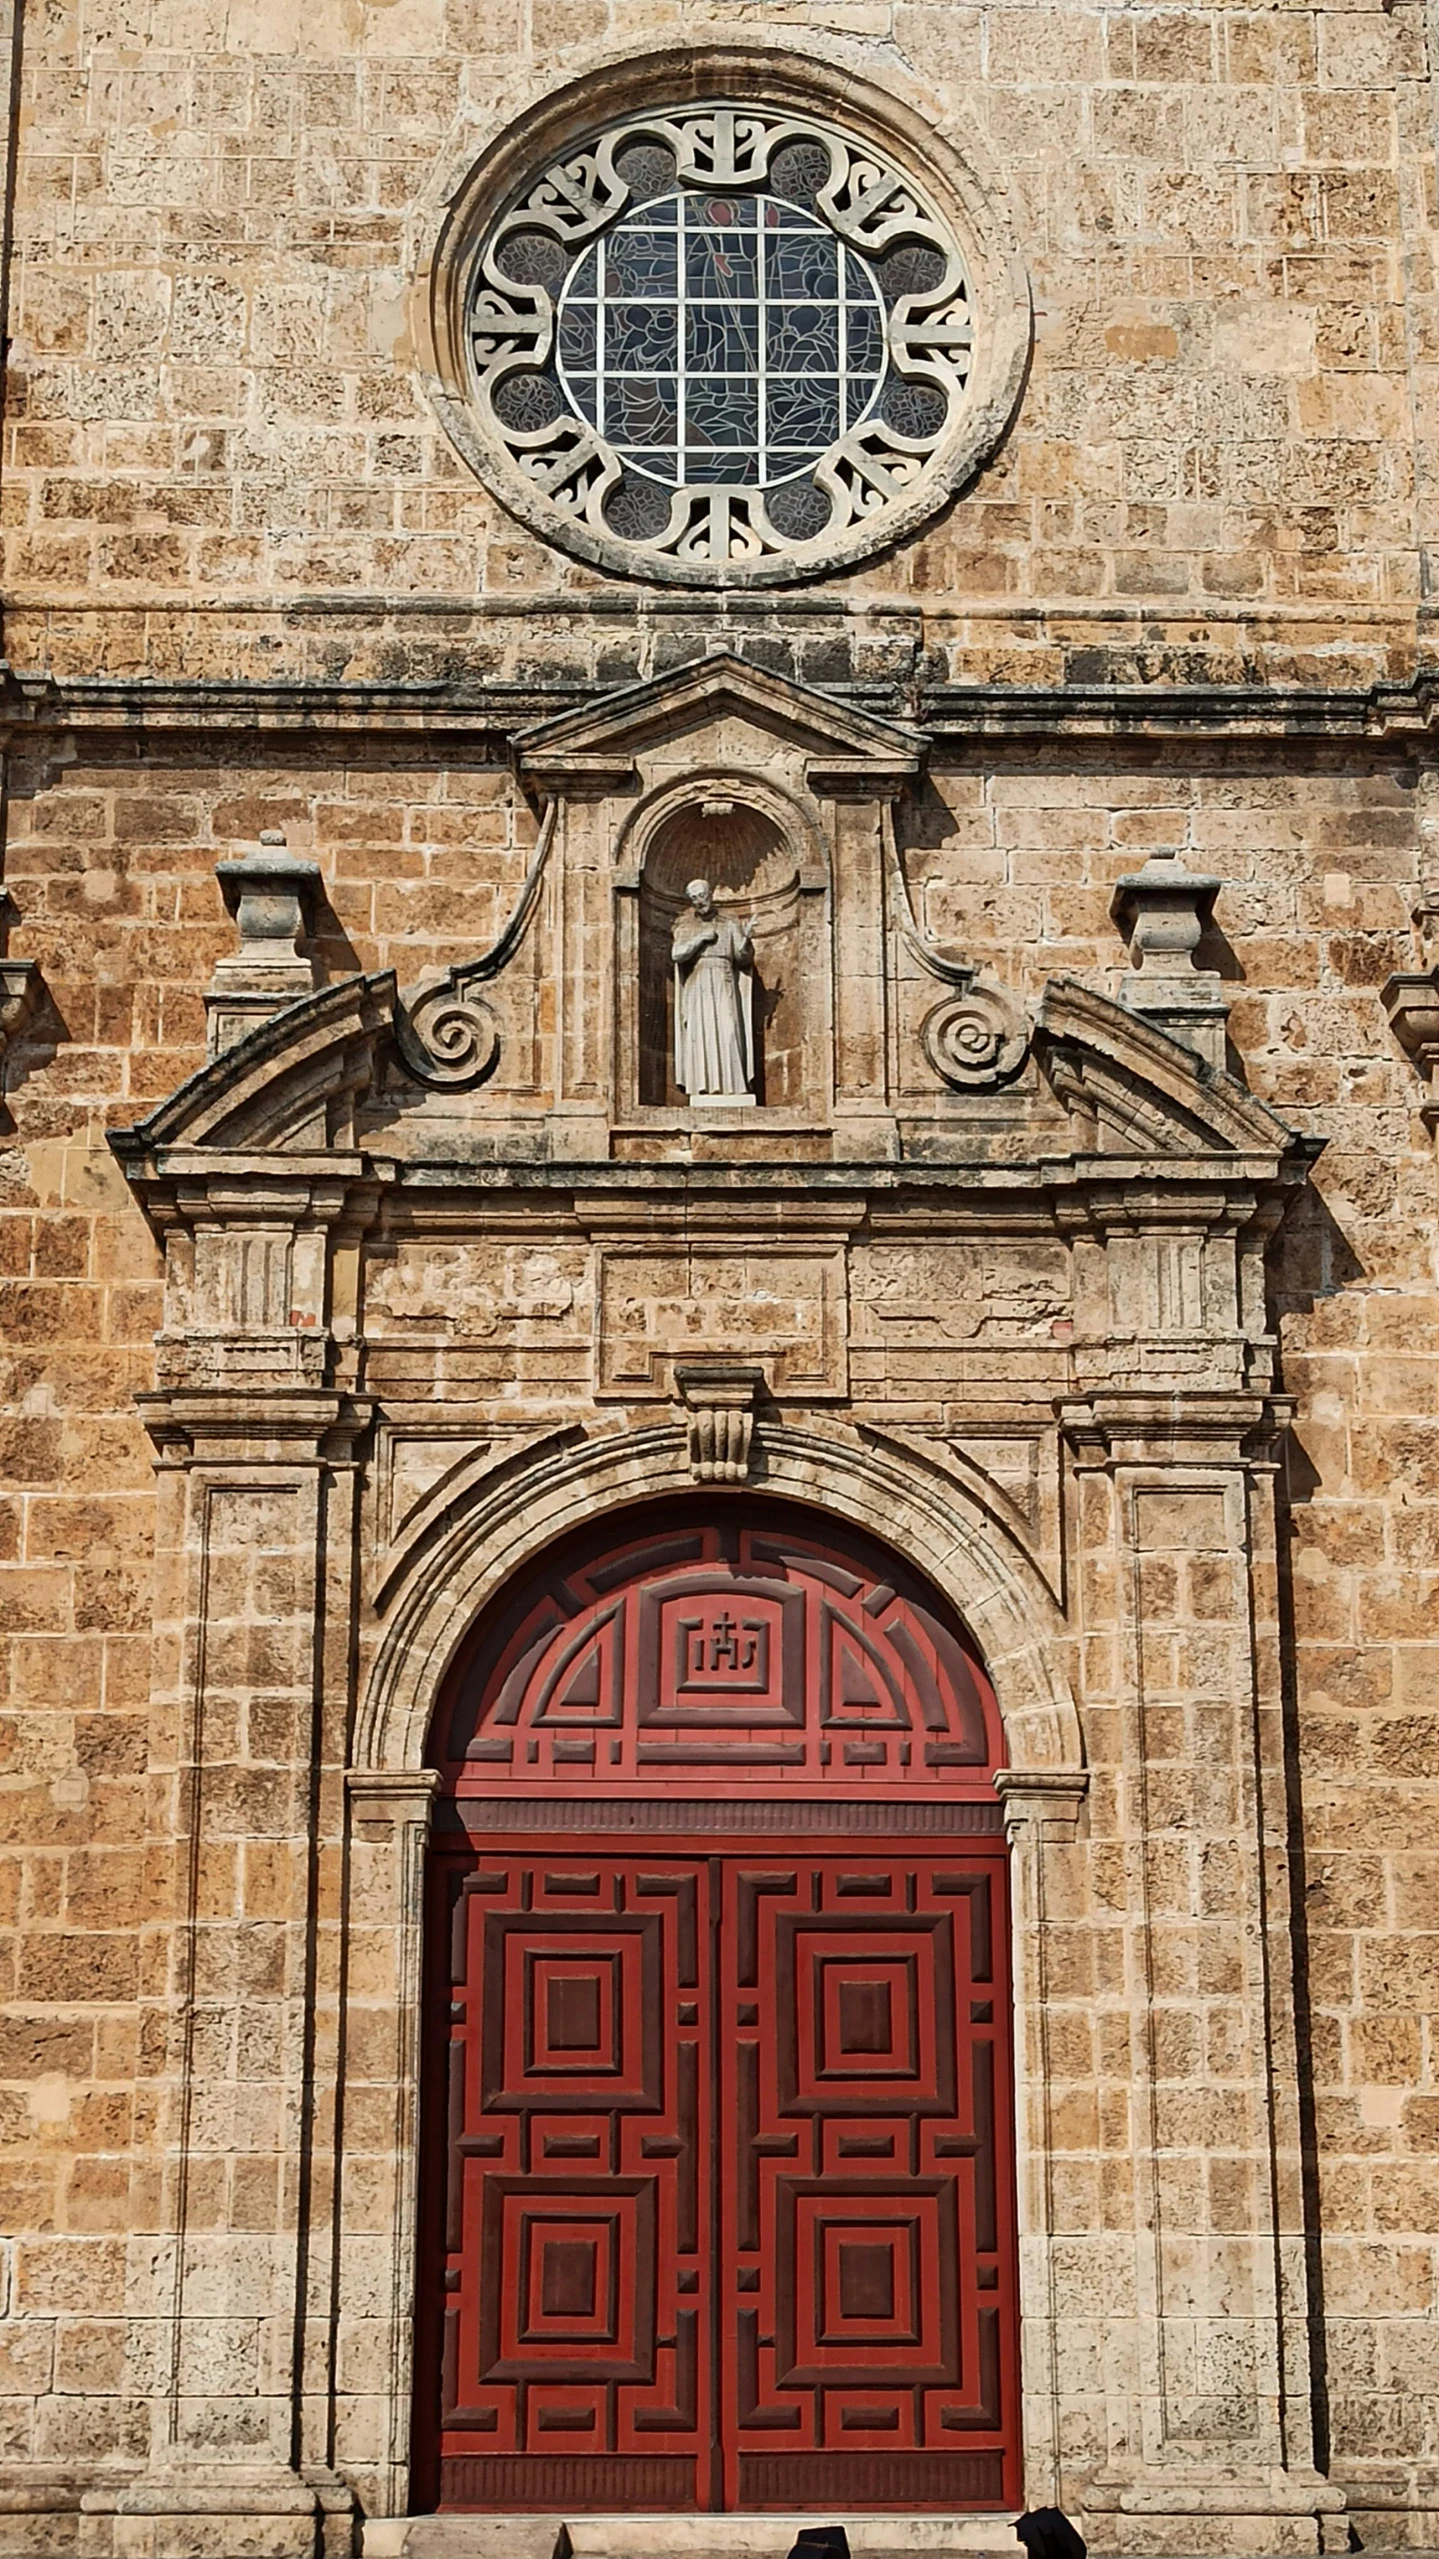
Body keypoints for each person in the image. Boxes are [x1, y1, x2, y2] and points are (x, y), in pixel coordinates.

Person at [672, 876, 755, 1103]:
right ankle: (703, 1087)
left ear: (710, 895)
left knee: (728, 1030)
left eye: (701, 895)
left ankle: (734, 1087)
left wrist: (746, 940)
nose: (699, 901)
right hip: (698, 983)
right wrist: (699, 938)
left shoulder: (729, 924)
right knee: (701, 1033)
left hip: (724, 979)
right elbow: (677, 954)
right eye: (694, 898)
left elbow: (742, 959)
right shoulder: (686, 926)